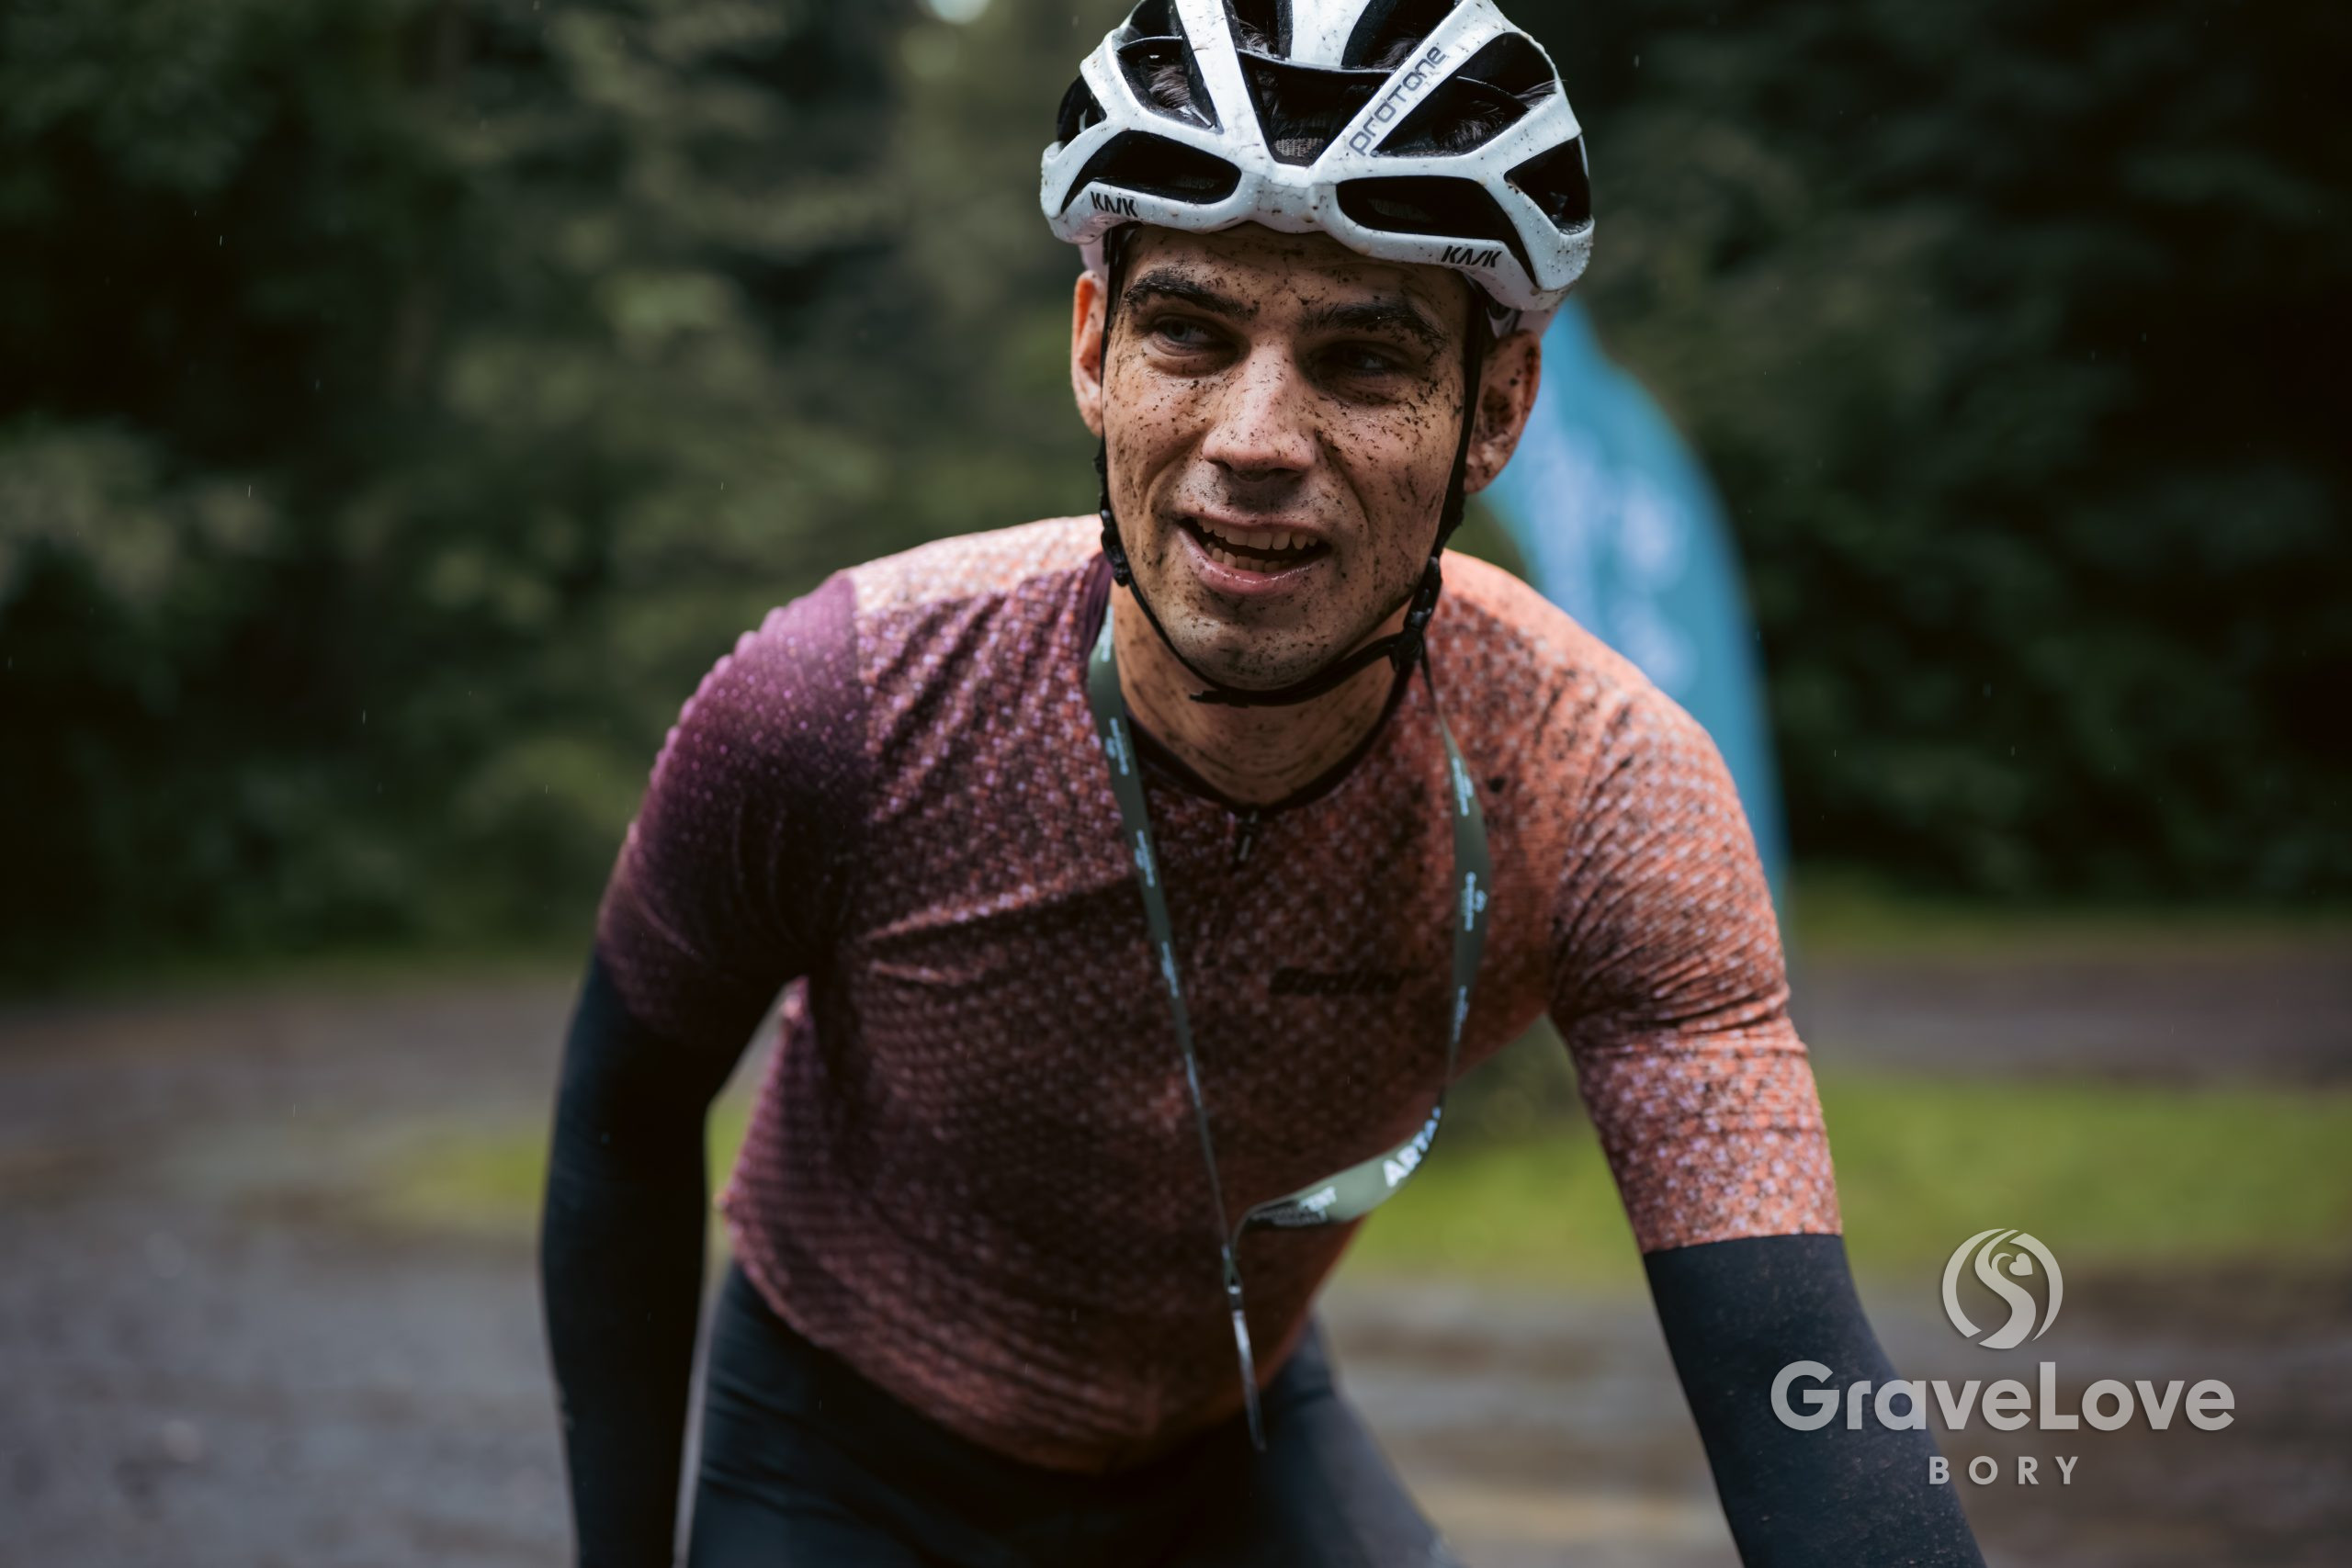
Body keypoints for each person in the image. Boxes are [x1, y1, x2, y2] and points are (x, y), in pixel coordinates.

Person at [538, 3, 1985, 1564]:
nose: (1256, 440)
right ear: (1093, 349)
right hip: (836, 1452)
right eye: (1190, 333)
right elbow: (623, 1115)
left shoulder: (1603, 794)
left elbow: (1796, 1382)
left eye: (1364, 358)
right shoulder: (847, 702)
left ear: (1496, 409)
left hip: (1231, 1442)